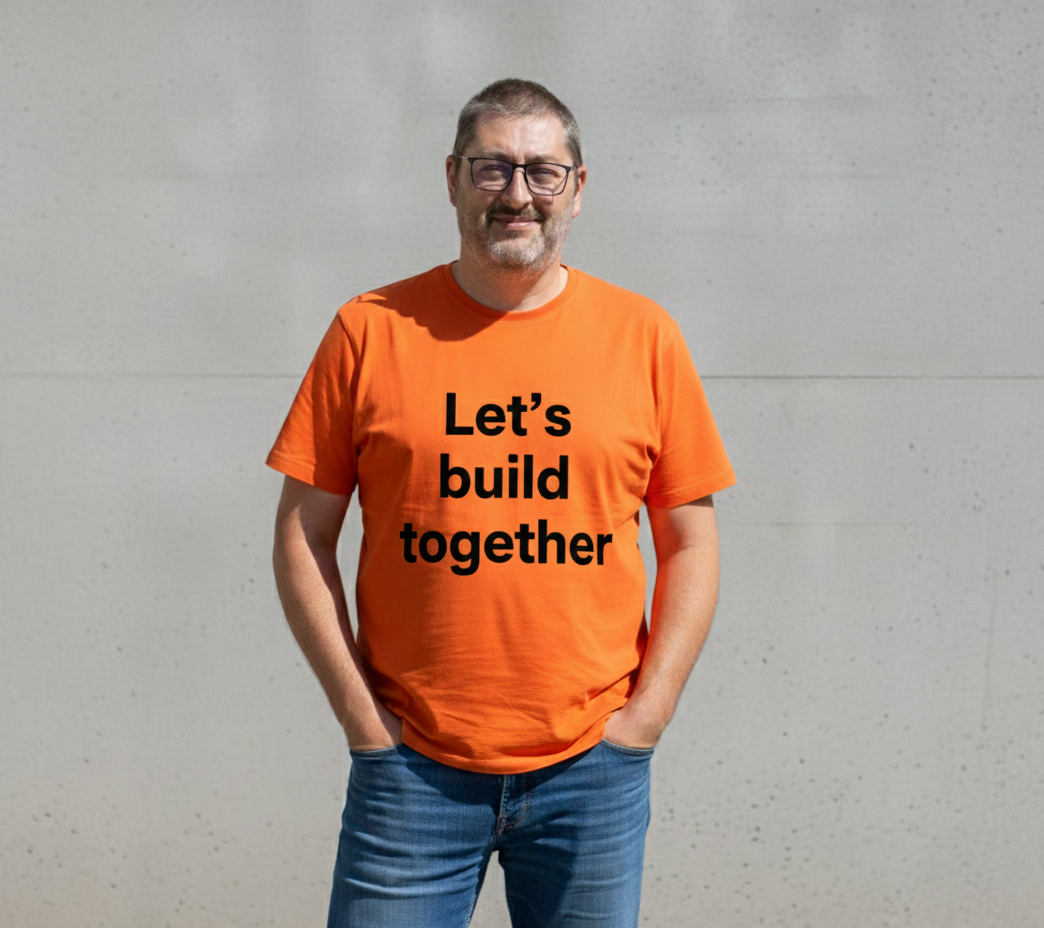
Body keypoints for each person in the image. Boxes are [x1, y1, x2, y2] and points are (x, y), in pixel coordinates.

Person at [268, 78, 735, 928]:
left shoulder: (644, 336)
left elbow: (692, 544)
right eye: (492, 169)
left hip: (592, 769)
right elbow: (303, 533)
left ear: (577, 189)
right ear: (451, 179)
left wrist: (648, 715)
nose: (517, 194)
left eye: (541, 171)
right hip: (412, 768)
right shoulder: (368, 330)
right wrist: (358, 715)